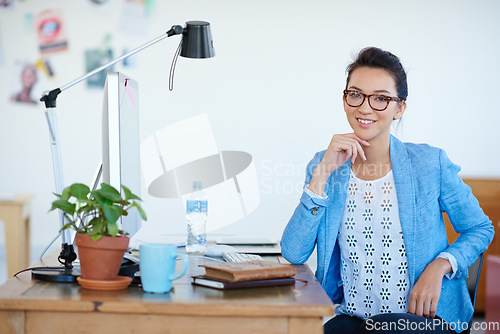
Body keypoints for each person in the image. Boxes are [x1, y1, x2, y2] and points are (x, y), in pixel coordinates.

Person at [280, 47, 494, 334]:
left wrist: (441, 265)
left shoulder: (430, 163)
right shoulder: (325, 164)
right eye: (355, 95)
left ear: (400, 108)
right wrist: (321, 174)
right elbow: (294, 252)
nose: (365, 108)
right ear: (344, 100)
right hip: (356, 318)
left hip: (426, 319)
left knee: (385, 328)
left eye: (381, 98)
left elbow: (480, 228)